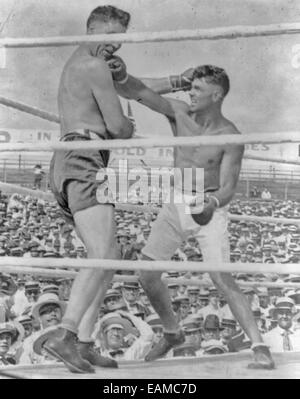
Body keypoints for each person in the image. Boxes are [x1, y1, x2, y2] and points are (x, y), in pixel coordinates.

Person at [43, 5, 186, 373]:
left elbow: (131, 86)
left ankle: (85, 342)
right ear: (93, 28)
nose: (115, 47)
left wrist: (175, 81)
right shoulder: (92, 65)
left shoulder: (83, 63)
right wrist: (125, 126)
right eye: (110, 37)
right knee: (104, 255)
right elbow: (119, 128)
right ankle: (65, 333)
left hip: (70, 158)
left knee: (107, 254)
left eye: (120, 41)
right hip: (85, 157)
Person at [112, 63, 275, 368]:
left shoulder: (230, 136)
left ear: (216, 95)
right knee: (146, 275)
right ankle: (172, 331)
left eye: (197, 89)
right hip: (177, 201)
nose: (190, 93)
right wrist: (171, 79)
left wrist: (211, 203)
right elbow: (130, 89)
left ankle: (260, 345)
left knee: (221, 278)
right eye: (190, 87)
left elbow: (228, 186)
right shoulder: (179, 112)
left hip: (210, 205)